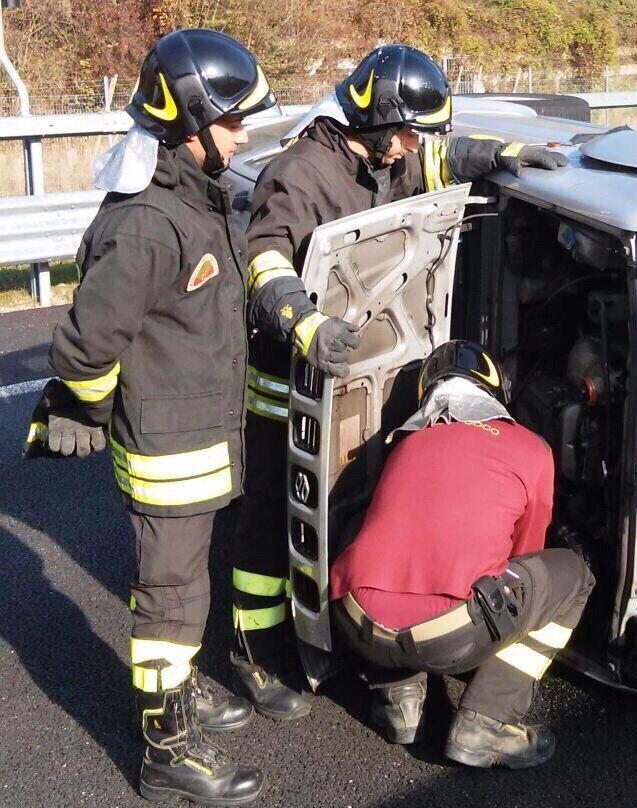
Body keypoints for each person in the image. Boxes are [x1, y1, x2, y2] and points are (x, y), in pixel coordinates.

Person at [231, 43, 568, 717]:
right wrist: (306, 325)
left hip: (361, 378)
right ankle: (257, 653)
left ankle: (361, 641)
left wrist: (502, 158)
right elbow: (264, 264)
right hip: (288, 387)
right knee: (269, 527)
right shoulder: (300, 175)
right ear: (377, 118)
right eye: (409, 129)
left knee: (354, 505)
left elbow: (441, 160)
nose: (416, 144)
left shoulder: (389, 156)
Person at [23, 28, 276, 806]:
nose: (242, 134)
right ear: (190, 121)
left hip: (196, 435)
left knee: (183, 587)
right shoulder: (147, 223)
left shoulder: (194, 198)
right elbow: (89, 340)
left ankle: (180, 686)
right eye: (233, 120)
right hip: (170, 448)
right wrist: (81, 406)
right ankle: (166, 748)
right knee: (169, 597)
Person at [327, 340, 594, 767]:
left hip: (358, 624)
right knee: (574, 578)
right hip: (448, 639)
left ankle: (401, 699)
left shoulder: (406, 443)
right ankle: (487, 722)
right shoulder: (531, 449)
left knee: (373, 539)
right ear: (493, 391)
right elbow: (526, 554)